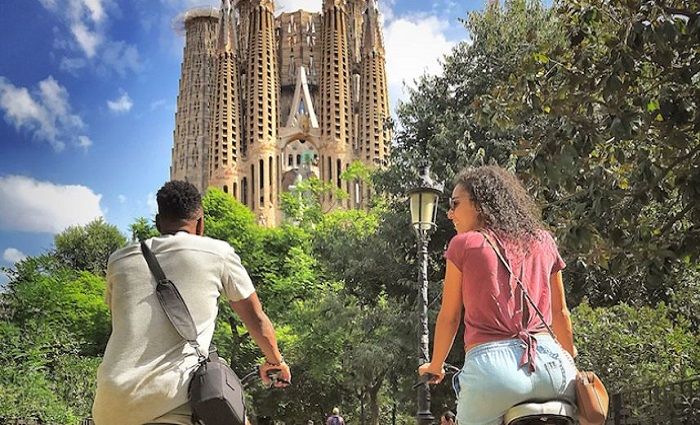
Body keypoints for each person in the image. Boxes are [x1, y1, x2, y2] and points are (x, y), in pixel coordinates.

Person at [92, 180, 291, 425]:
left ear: (158, 222)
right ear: (201, 223)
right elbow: (256, 319)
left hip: (111, 405)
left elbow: (119, 319)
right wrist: (275, 361)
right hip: (171, 401)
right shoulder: (218, 253)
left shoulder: (119, 260)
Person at [418, 166, 577, 425]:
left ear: (480, 204)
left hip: (494, 373)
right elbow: (561, 313)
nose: (450, 214)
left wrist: (436, 365)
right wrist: (571, 364)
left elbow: (450, 316)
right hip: (553, 368)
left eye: (455, 204)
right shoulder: (544, 241)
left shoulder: (464, 244)